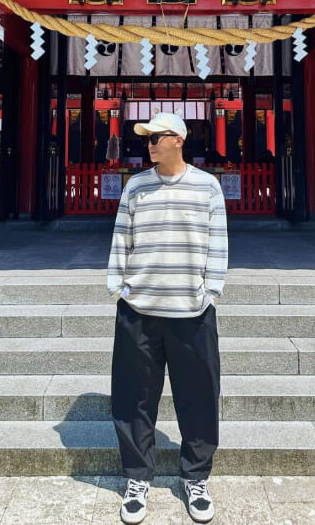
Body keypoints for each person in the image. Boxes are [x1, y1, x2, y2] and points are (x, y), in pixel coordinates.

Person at [107, 111, 227, 524]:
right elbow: (123, 235)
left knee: (198, 396)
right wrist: (118, 286)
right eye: (147, 139)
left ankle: (195, 477)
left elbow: (218, 244)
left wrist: (210, 291)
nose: (150, 145)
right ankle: (137, 478)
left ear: (178, 139)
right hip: (139, 309)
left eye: (156, 137)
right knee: (134, 397)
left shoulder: (207, 186)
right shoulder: (136, 186)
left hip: (191, 310)